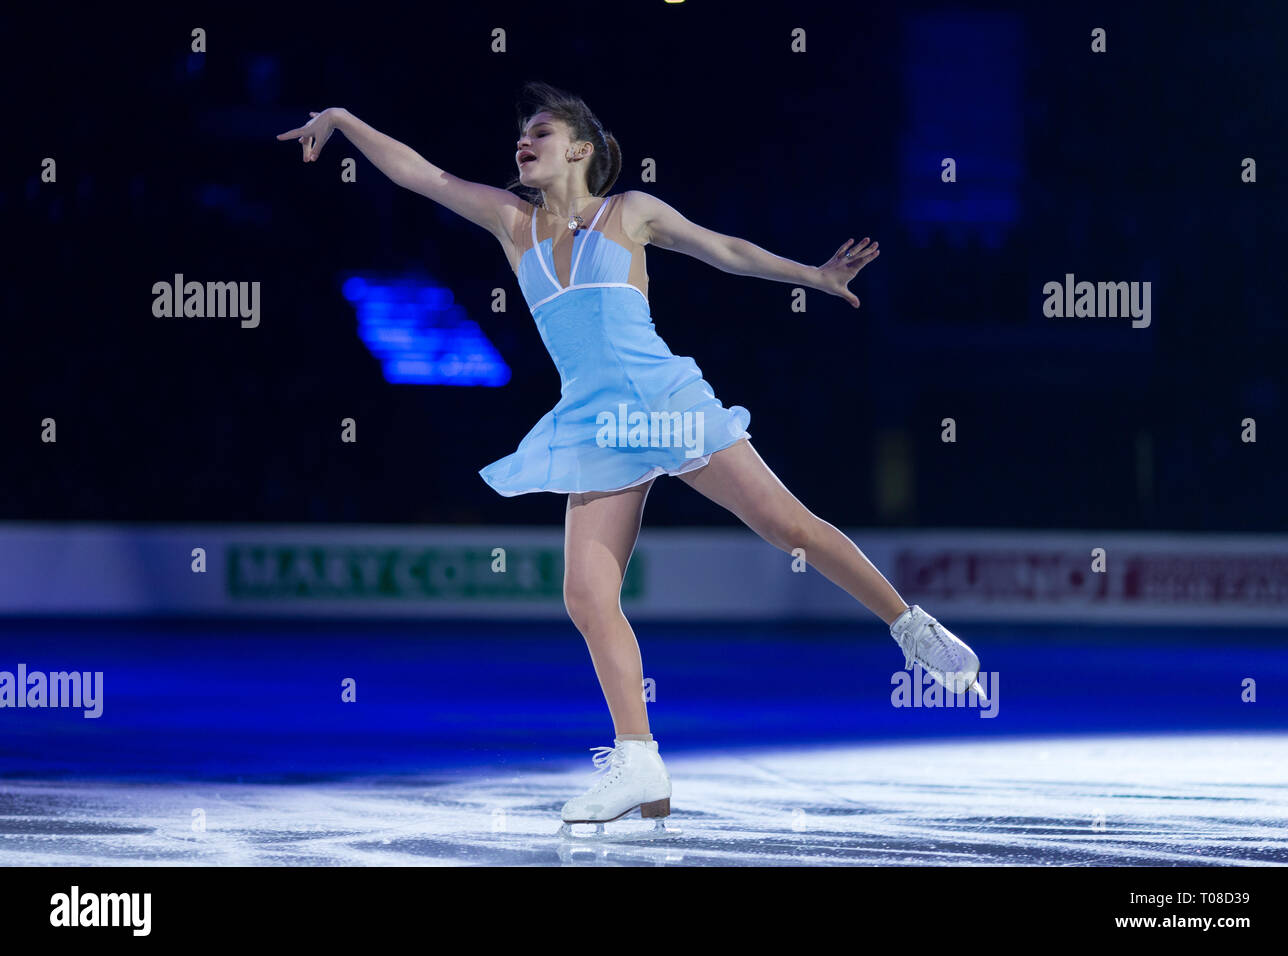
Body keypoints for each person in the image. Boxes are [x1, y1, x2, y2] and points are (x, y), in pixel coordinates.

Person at [277, 81, 983, 834]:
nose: (524, 140)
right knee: (585, 595)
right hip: (593, 420)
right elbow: (422, 174)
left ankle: (909, 626)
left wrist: (811, 276)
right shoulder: (511, 222)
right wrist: (346, 118)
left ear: (581, 148)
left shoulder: (630, 211)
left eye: (541, 131)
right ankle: (638, 758)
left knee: (790, 528)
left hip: (665, 399)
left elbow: (725, 250)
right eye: (522, 132)